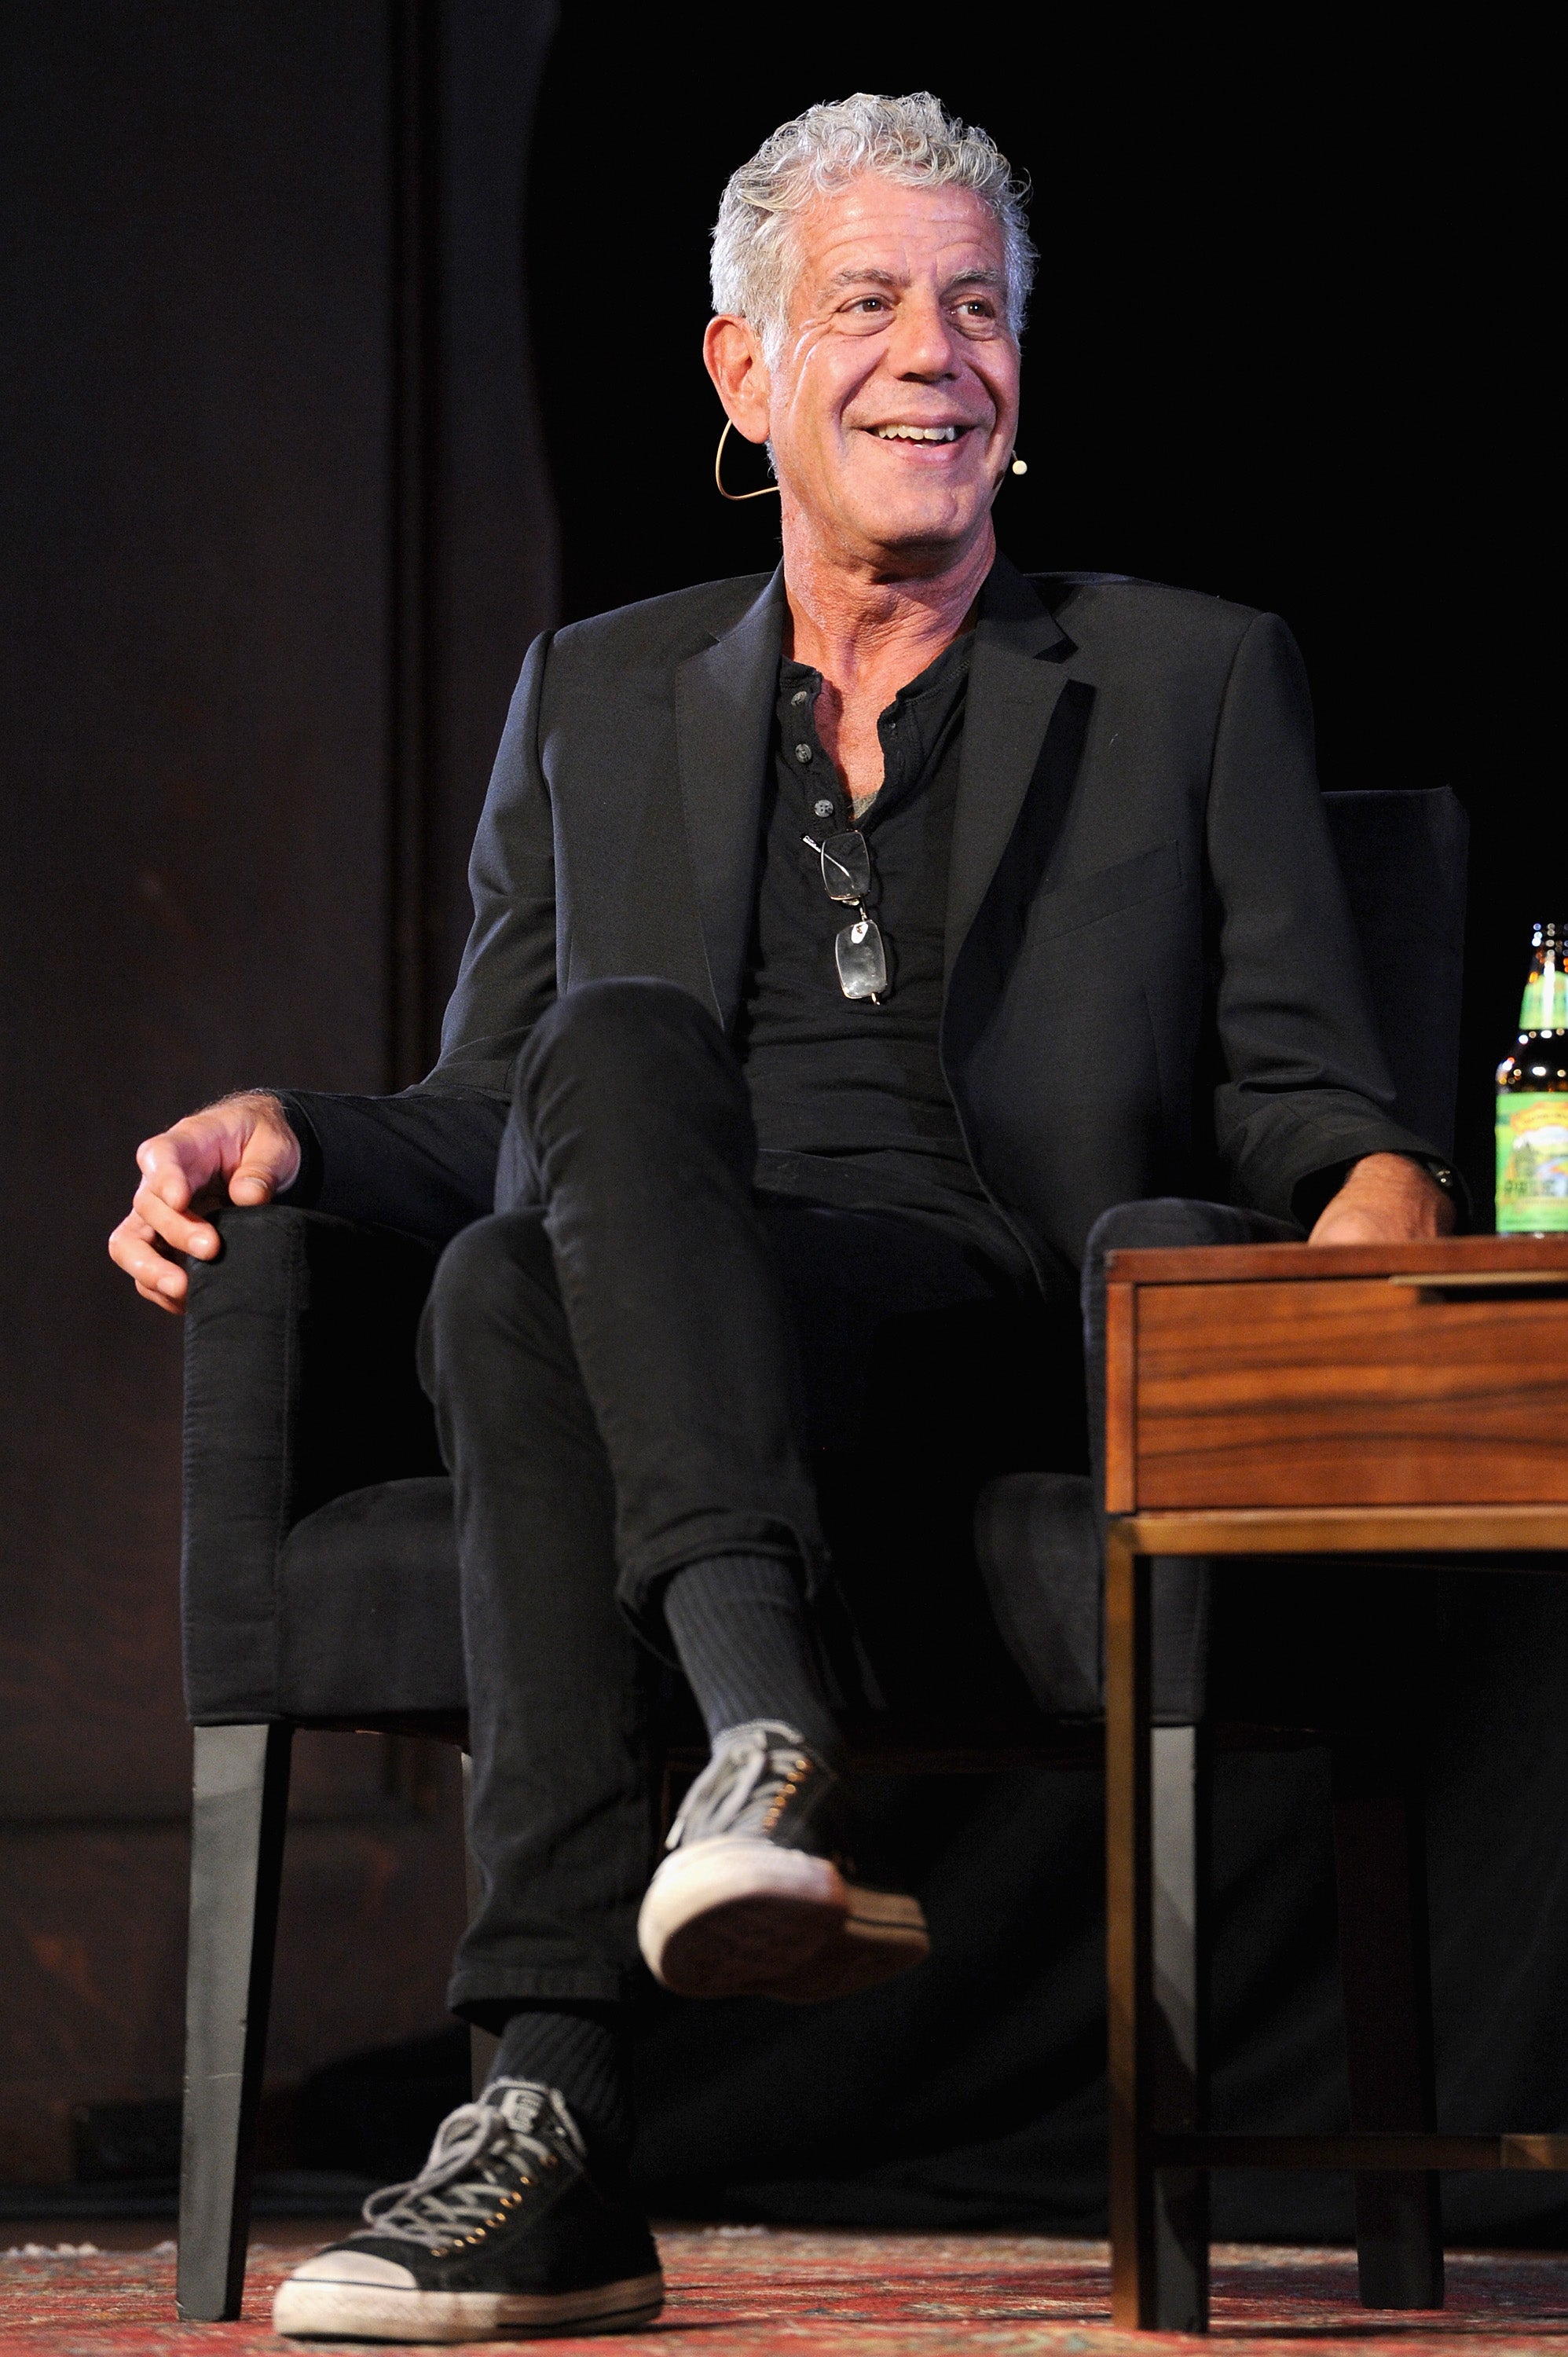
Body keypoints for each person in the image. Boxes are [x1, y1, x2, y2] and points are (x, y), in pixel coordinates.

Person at [110, 92, 1454, 2344]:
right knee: (533, 1209)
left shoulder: (1185, 676)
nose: (936, 356)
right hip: (649, 1289)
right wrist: (288, 1137)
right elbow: (482, 1106)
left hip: (977, 1319)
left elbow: (1309, 1092)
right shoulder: (602, 691)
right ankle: (629, 1972)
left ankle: (591, 2030)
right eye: (869, 306)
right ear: (743, 371)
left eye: (978, 309)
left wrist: (1373, 1232)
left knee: (547, 1225)